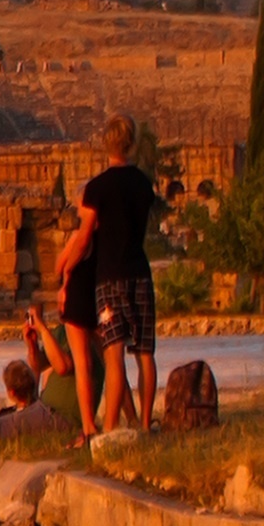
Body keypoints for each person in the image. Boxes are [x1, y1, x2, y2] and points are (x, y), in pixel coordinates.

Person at [50, 117, 163, 433]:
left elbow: (85, 236)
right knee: (145, 353)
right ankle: (143, 424)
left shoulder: (97, 188)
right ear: (131, 143)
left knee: (114, 357)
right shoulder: (143, 184)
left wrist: (68, 270)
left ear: (106, 144)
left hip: (109, 278)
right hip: (140, 272)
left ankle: (111, 427)